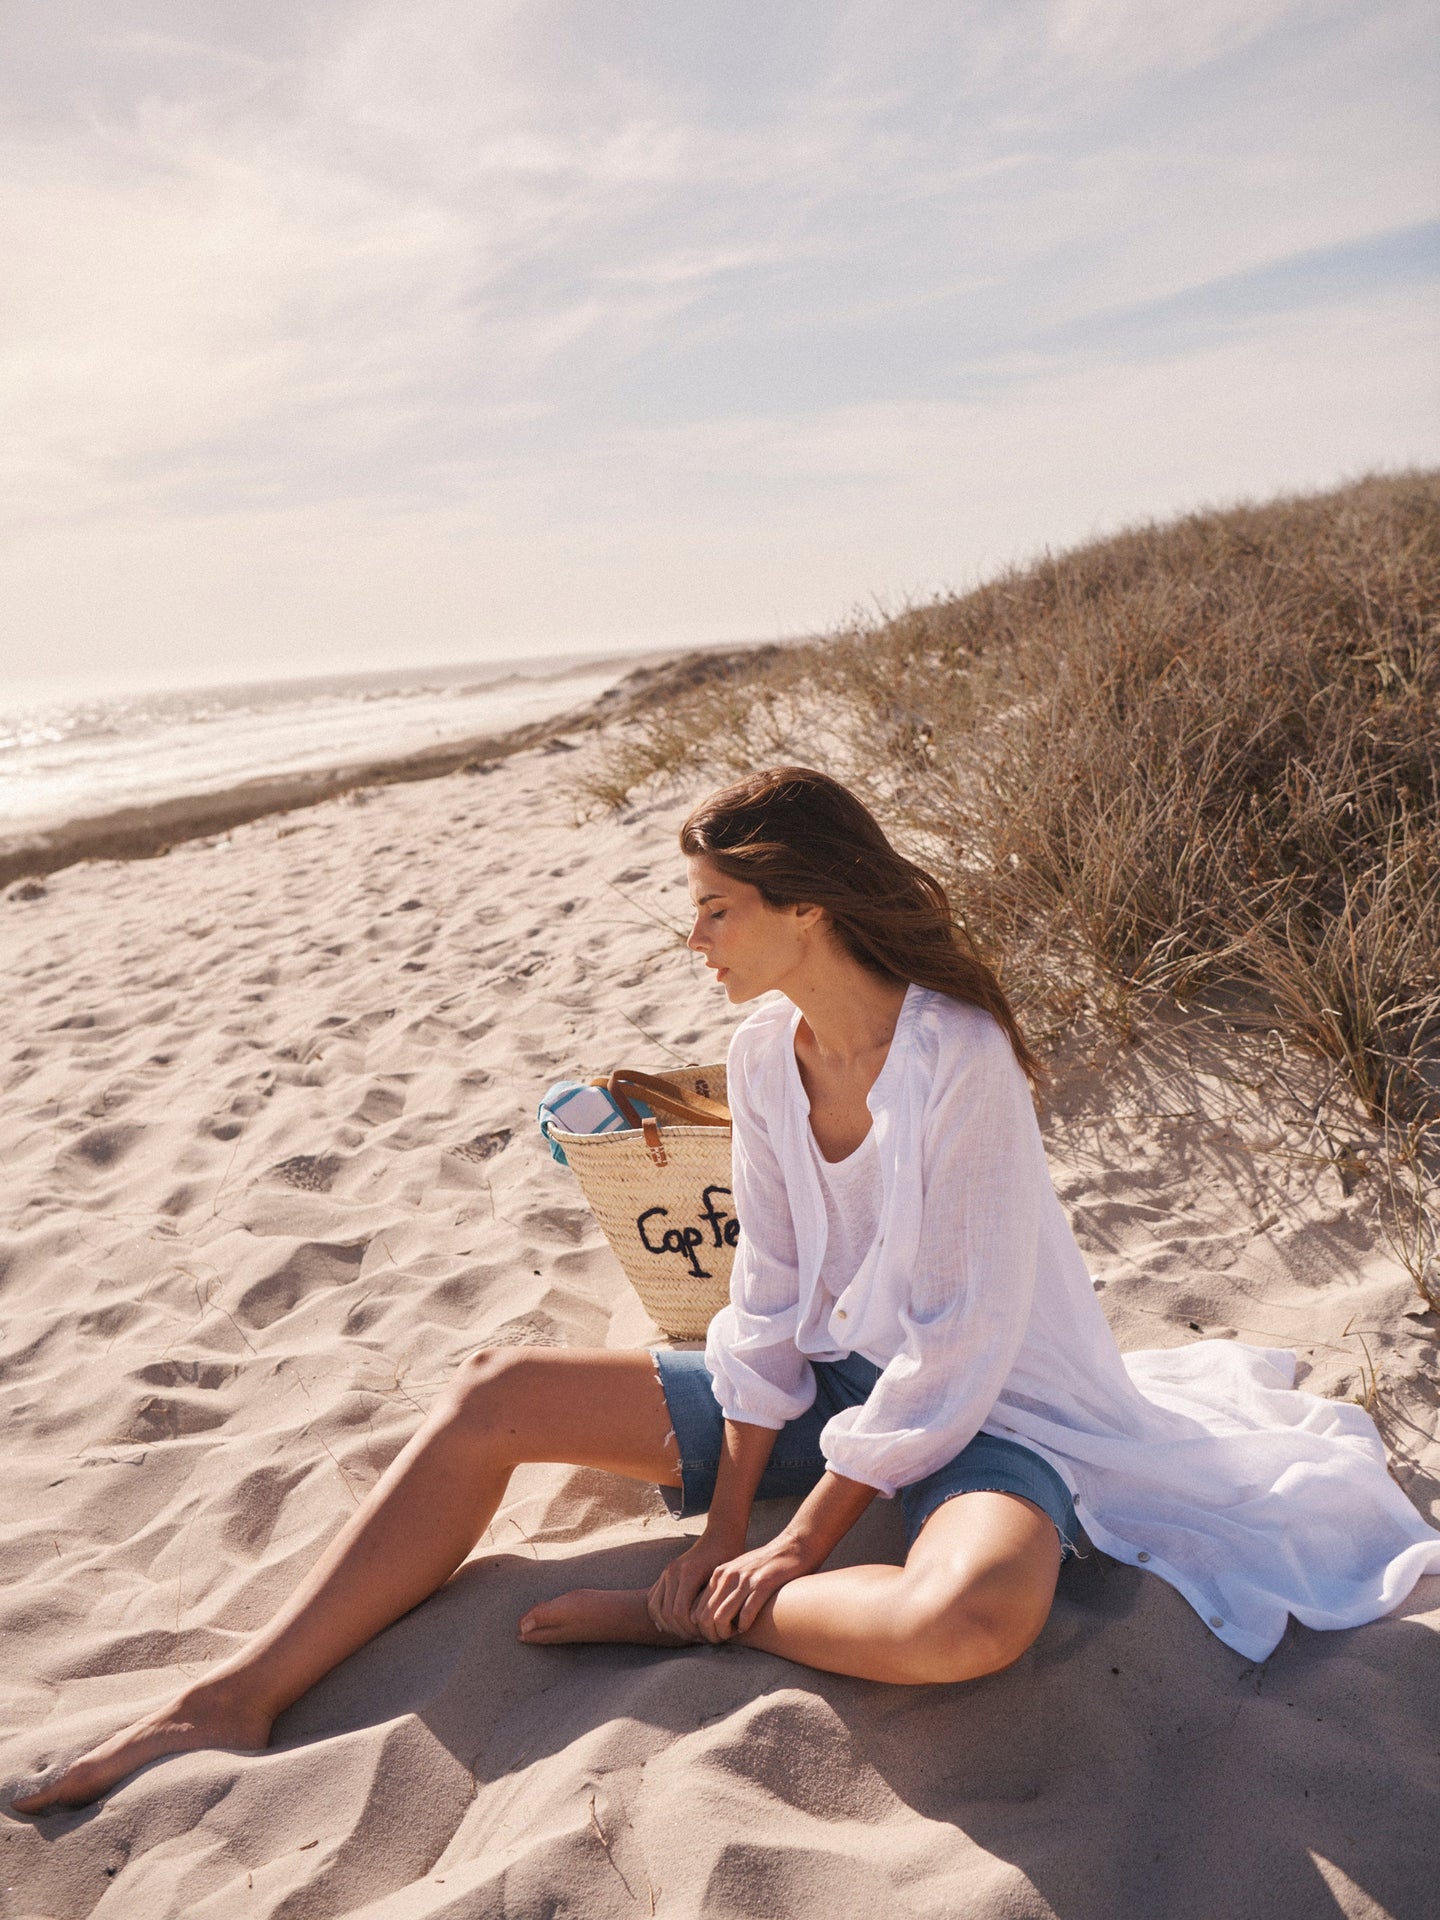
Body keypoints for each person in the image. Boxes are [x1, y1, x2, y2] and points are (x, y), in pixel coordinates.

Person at [15, 767, 1439, 1814]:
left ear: (806, 905)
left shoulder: (959, 1064)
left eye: (715, 909)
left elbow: (958, 1349)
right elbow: (763, 1297)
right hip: (831, 1388)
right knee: (499, 1395)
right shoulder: (765, 1053)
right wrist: (741, 1486)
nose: (692, 939)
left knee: (965, 1628)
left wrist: (785, 1553)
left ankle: (678, 1611)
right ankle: (239, 1691)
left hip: (1002, 1414)